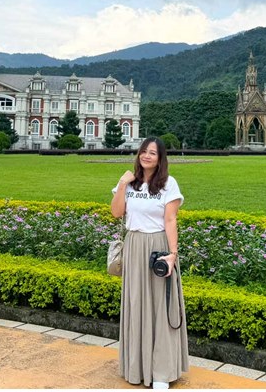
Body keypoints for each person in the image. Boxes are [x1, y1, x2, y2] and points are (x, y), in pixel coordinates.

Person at [112, 137, 188, 391]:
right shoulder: (129, 182)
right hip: (133, 246)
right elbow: (116, 212)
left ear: (160, 158)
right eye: (144, 151)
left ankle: (161, 372)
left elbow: (170, 220)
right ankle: (137, 366)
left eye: (152, 153)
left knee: (160, 309)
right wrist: (122, 185)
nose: (146, 156)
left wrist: (173, 254)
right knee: (136, 305)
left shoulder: (168, 183)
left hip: (157, 248)